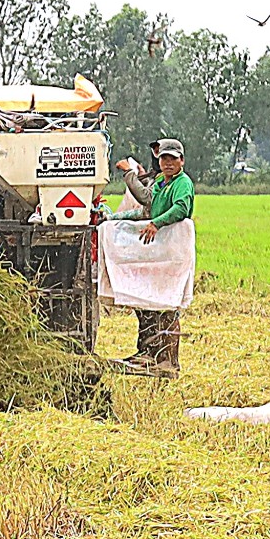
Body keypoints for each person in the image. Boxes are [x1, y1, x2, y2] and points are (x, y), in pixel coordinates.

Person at [110, 138, 194, 374]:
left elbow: (180, 209)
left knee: (166, 305)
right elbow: (148, 203)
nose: (168, 163)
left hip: (171, 253)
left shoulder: (182, 184)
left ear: (181, 161)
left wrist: (156, 223)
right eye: (163, 159)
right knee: (147, 301)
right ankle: (148, 353)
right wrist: (114, 220)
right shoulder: (161, 183)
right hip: (157, 252)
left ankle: (168, 360)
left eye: (172, 159)